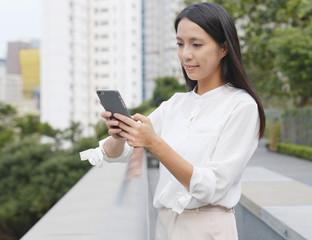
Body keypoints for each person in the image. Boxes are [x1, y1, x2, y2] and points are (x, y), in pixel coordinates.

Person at [83, 2, 265, 239]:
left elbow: (211, 187)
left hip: (207, 227)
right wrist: (119, 135)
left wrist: (153, 143)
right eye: (180, 44)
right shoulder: (176, 104)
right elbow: (118, 153)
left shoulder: (241, 106)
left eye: (196, 44)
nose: (185, 54)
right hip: (165, 225)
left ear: (223, 48)